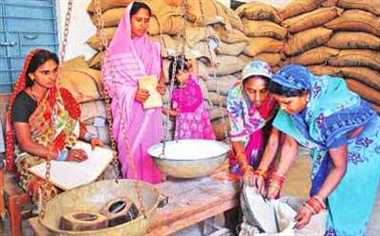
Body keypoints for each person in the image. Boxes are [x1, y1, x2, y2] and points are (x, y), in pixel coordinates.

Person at [264, 64, 380, 235]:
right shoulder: (294, 100)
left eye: (286, 102)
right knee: (322, 178)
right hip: (333, 136)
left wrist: (313, 204)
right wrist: (277, 180)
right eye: (279, 102)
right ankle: (325, 224)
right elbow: (290, 142)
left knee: (346, 190)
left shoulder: (328, 116)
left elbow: (340, 167)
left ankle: (343, 230)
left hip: (364, 139)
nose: (282, 108)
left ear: (305, 94)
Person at [5, 49, 103, 206]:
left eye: (55, 70)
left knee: (92, 174)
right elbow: (26, 144)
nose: (52, 77)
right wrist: (62, 156)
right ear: (31, 75)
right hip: (33, 156)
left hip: (63, 149)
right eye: (45, 72)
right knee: (45, 190)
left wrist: (90, 138)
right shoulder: (22, 102)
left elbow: (72, 124)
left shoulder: (61, 95)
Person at [102, 1, 165, 184]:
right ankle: (136, 195)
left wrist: (160, 86)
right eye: (138, 20)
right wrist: (131, 93)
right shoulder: (115, 51)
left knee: (152, 152)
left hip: (151, 111)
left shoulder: (153, 48)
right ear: (128, 20)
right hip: (129, 112)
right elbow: (108, 83)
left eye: (146, 20)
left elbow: (160, 77)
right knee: (132, 155)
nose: (143, 24)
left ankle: (155, 192)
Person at [226, 60, 279, 187]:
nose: (257, 98)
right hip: (246, 133)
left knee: (269, 174)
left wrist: (264, 171)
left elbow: (276, 138)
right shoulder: (236, 96)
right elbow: (237, 135)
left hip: (271, 127)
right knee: (240, 173)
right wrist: (245, 167)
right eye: (251, 91)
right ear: (243, 86)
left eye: (263, 91)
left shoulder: (277, 95)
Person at [164, 56, 215, 140]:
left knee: (203, 145)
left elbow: (194, 61)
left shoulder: (193, 80)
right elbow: (176, 113)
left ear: (189, 71)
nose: (183, 76)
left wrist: (184, 62)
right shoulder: (176, 92)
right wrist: (162, 109)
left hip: (199, 121)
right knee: (187, 148)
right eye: (179, 74)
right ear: (174, 77)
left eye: (185, 72)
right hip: (185, 126)